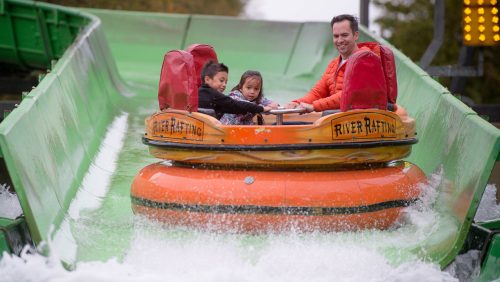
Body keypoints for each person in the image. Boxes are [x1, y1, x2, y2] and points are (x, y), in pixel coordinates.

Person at [284, 14, 382, 113]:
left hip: (358, 118)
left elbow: (350, 95)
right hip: (339, 118)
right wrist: (297, 102)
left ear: (355, 35)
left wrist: (314, 106)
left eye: (344, 35)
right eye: (336, 36)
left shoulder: (366, 60)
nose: (339, 40)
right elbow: (318, 92)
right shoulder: (334, 64)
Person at [198, 61, 274, 119]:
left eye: (226, 82)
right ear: (207, 79)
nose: (224, 85)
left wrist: (270, 103)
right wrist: (262, 108)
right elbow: (236, 105)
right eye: (221, 80)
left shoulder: (199, 92)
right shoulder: (214, 95)